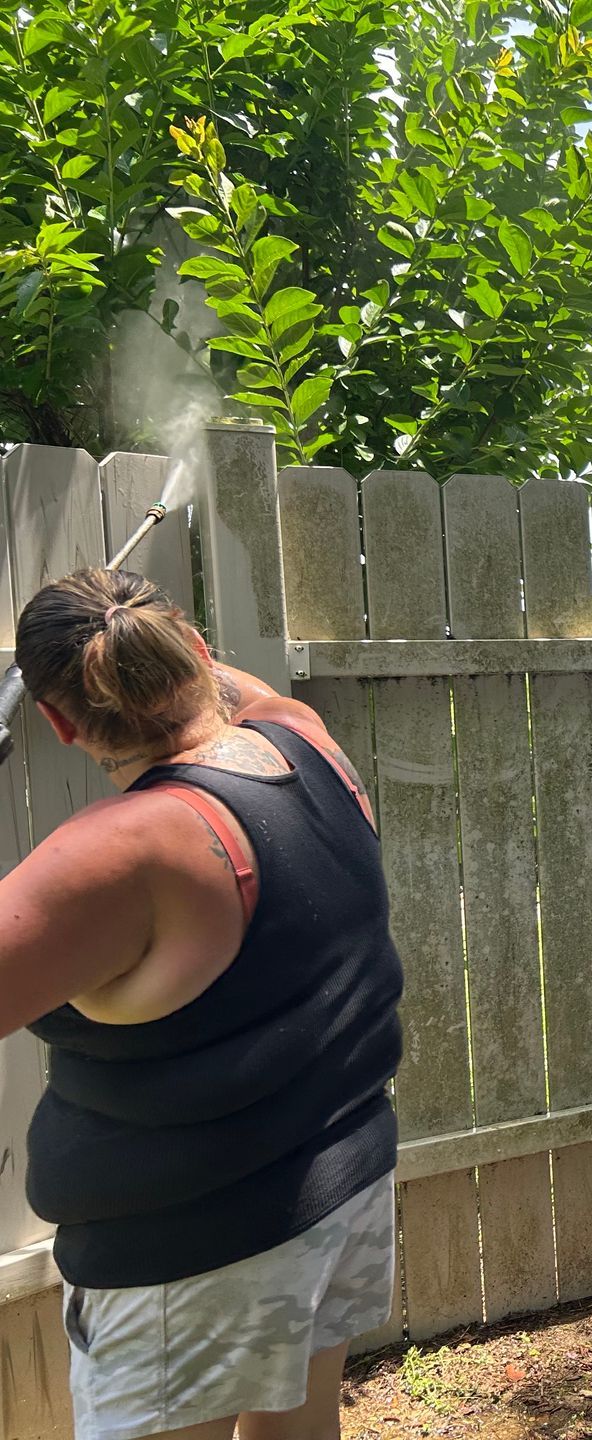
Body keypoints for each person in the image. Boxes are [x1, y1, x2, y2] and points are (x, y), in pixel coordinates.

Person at [0, 567, 403, 1440]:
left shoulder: (122, 853)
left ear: (60, 723)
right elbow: (225, 690)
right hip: (336, 1191)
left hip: (191, 1260)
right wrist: (126, 628)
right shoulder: (304, 743)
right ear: (195, 647)